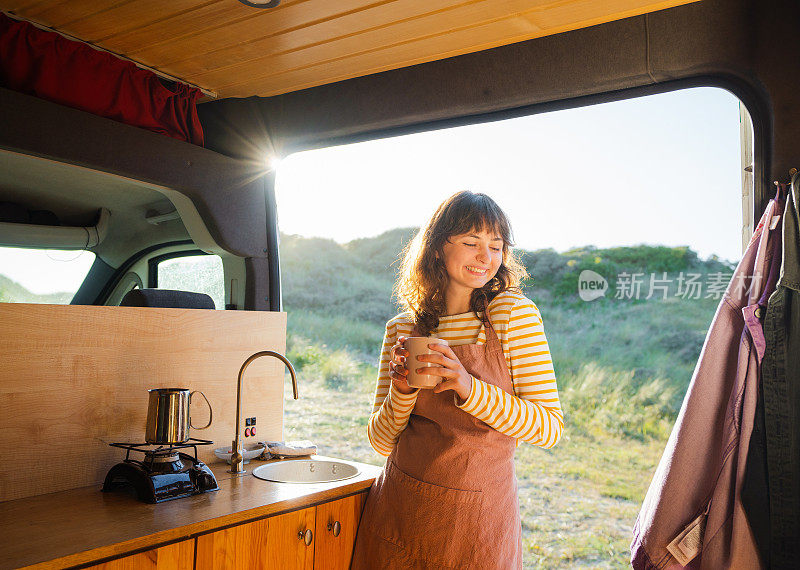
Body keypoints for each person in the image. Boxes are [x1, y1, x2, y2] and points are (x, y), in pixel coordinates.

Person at [351, 191, 563, 569]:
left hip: (476, 523)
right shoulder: (402, 328)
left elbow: (548, 428)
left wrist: (468, 387)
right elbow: (382, 443)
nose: (486, 257)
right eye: (471, 243)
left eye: (496, 246)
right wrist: (402, 391)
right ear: (436, 248)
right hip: (400, 509)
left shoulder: (513, 316)